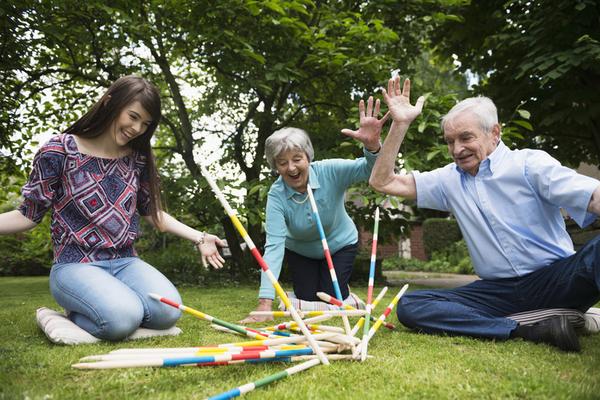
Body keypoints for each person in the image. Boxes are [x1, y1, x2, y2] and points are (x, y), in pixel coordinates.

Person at [369, 76, 600, 352]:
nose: (457, 149)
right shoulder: (447, 179)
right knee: (411, 305)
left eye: (466, 137)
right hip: (497, 293)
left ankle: (560, 315)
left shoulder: (529, 164)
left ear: (494, 133)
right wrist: (400, 124)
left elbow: (593, 196)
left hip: (556, 281)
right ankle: (530, 329)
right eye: (450, 141)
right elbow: (383, 182)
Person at [0, 76, 226, 341]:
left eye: (145, 124)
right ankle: (75, 312)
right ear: (110, 103)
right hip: (74, 265)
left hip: (125, 261)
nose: (137, 128)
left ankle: (108, 306)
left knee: (167, 312)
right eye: (133, 116)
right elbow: (27, 215)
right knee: (122, 319)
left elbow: (153, 213)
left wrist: (200, 237)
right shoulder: (58, 150)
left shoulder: (138, 159)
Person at [240, 97, 389, 323]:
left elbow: (369, 169)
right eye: (282, 162)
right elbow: (274, 247)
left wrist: (371, 146)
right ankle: (311, 286)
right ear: (275, 166)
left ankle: (340, 285)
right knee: (307, 296)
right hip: (300, 250)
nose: (291, 168)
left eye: (297, 159)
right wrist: (265, 303)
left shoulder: (330, 171)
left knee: (331, 297)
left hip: (340, 243)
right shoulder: (276, 195)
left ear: (308, 157)